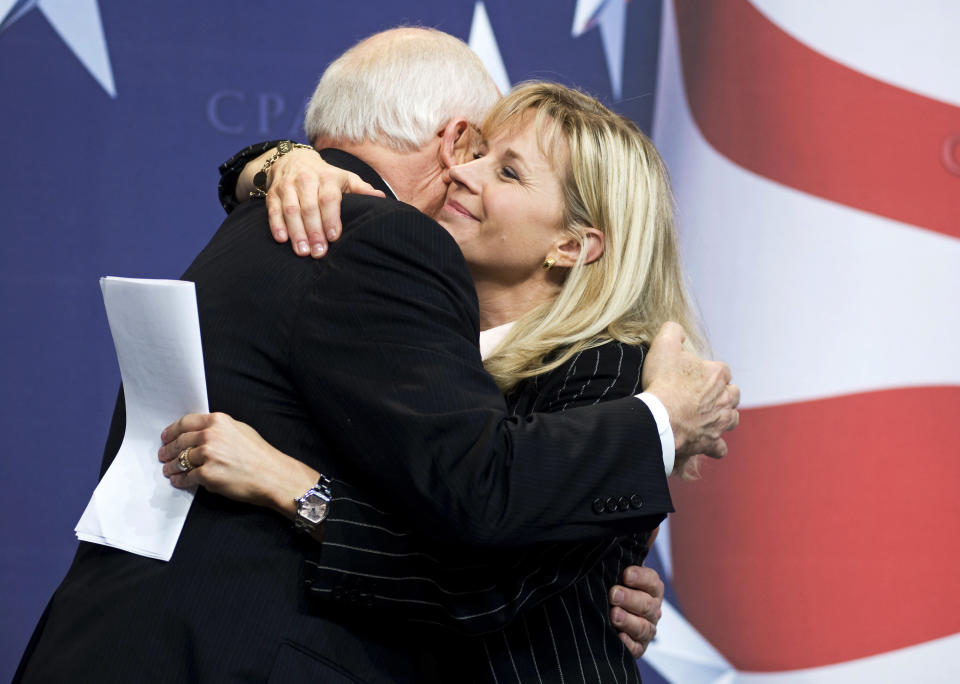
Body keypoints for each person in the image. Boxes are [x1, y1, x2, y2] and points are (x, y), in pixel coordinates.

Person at [15, 28, 737, 683]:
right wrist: (272, 162)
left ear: (575, 245)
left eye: (506, 170)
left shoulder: (606, 371)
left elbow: (484, 567)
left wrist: (289, 483)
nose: (466, 175)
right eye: (478, 153)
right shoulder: (380, 259)